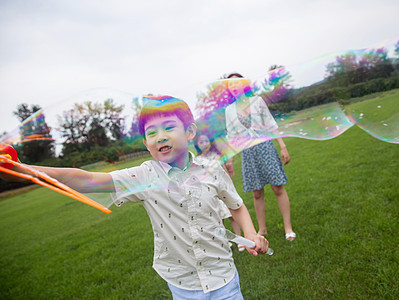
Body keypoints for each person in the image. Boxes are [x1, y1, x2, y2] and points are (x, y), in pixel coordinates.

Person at [1, 95, 269, 299]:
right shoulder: (144, 176)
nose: (160, 136)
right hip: (183, 283)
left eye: (168, 127)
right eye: (151, 132)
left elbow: (237, 206)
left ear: (189, 132)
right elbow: (87, 179)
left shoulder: (213, 170)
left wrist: (250, 235)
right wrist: (27, 171)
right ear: (145, 144)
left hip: (224, 276)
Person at [224, 73, 296, 241]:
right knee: (257, 193)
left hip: (266, 148)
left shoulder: (257, 101)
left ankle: (288, 227)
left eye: (237, 83)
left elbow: (270, 124)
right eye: (230, 84)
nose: (234, 86)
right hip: (248, 153)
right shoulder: (229, 110)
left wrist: (283, 146)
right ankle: (262, 229)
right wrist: (230, 160)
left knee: (278, 188)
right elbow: (232, 137)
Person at [194, 133, 245, 251]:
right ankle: (225, 241)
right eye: (201, 142)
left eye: (206, 141)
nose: (204, 144)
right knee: (218, 218)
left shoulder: (216, 155)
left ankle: (240, 239)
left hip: (223, 191)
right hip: (212, 193)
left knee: (232, 215)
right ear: (197, 145)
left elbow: (225, 172)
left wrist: (229, 187)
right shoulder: (198, 159)